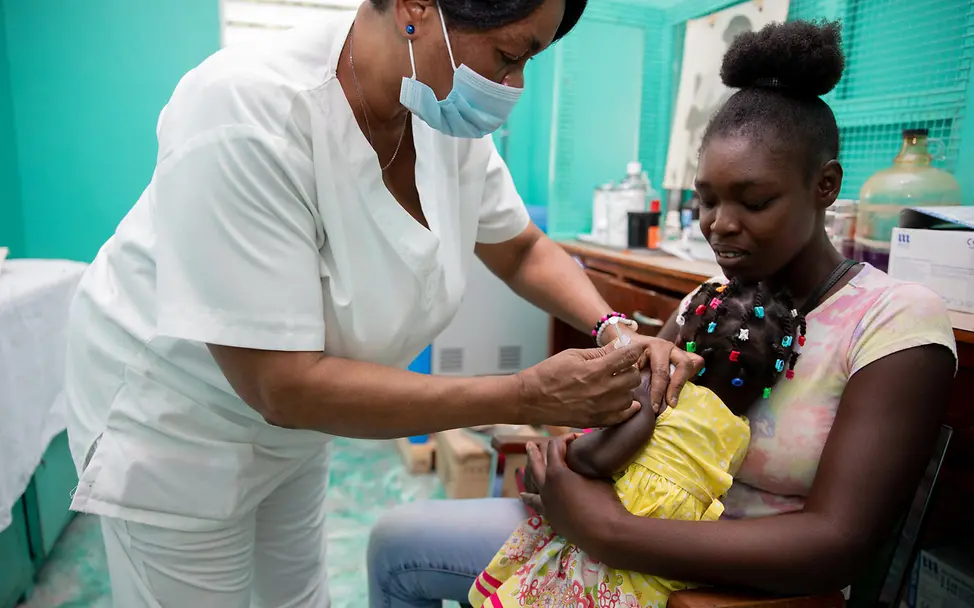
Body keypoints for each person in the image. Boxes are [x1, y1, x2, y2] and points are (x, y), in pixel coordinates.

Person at [62, 1, 700, 606]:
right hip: (179, 422)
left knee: (298, 594)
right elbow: (280, 386)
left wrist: (611, 328)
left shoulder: (438, 108)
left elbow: (521, 248)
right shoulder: (247, 112)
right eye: (510, 53)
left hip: (302, 421)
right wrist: (525, 393)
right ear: (415, 7)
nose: (516, 85)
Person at [367, 19, 958, 606]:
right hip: (606, 528)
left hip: (734, 579)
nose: (720, 225)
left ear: (825, 186)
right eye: (706, 200)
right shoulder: (710, 300)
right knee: (396, 542)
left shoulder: (892, 322)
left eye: (755, 201)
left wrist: (608, 531)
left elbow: (838, 543)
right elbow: (622, 424)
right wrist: (567, 465)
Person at [470, 279, 802, 607]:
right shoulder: (739, 431)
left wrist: (561, 454)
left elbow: (599, 459)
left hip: (610, 536)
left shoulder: (664, 388)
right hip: (664, 556)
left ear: (684, 345)